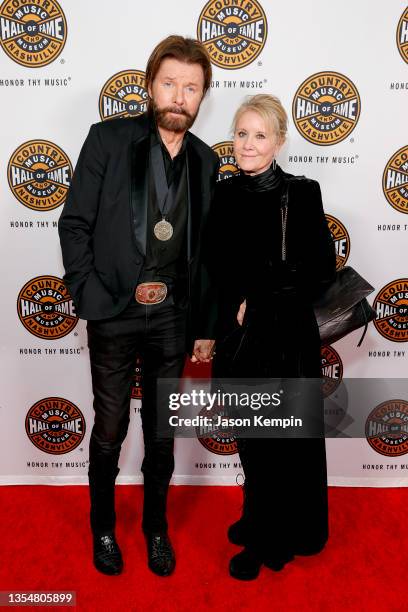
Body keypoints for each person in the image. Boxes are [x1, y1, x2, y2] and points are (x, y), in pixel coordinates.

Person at [58, 35, 218, 577]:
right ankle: (102, 527)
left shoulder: (205, 160)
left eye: (191, 88)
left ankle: (156, 528)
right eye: (170, 83)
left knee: (162, 432)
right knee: (108, 428)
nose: (179, 96)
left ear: (202, 98)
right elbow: (75, 222)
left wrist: (202, 321)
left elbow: (204, 254)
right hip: (114, 311)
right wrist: (89, 293)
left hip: (173, 318)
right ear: (151, 86)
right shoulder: (108, 140)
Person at [210, 94, 336, 580]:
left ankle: (270, 541)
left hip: (283, 338)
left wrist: (258, 299)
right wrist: (227, 315)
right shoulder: (223, 192)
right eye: (241, 133)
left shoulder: (301, 193)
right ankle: (254, 515)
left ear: (279, 142)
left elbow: (319, 269)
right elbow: (215, 267)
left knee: (277, 442)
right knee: (250, 437)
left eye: (260, 135)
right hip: (238, 337)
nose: (248, 144)